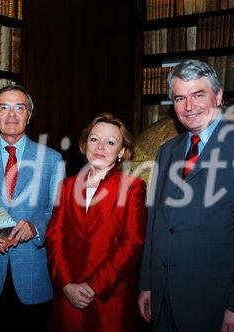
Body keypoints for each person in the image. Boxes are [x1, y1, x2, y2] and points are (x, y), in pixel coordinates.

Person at [138, 59, 234, 332]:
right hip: (162, 297)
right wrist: (147, 283)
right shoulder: (167, 151)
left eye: (198, 95)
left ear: (219, 95)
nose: (189, 107)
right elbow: (156, 223)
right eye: (180, 98)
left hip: (214, 304)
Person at [0, 85, 64, 332]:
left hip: (33, 276)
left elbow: (57, 213)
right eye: (3, 107)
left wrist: (36, 228)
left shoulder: (52, 160)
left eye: (20, 107)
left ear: (30, 115)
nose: (12, 114)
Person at [45, 113, 147, 331]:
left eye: (110, 142)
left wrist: (93, 286)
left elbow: (132, 244)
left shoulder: (133, 187)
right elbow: (54, 237)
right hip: (68, 297)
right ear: (85, 144)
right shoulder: (66, 186)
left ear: (121, 151)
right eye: (94, 139)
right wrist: (66, 284)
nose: (100, 146)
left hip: (109, 299)